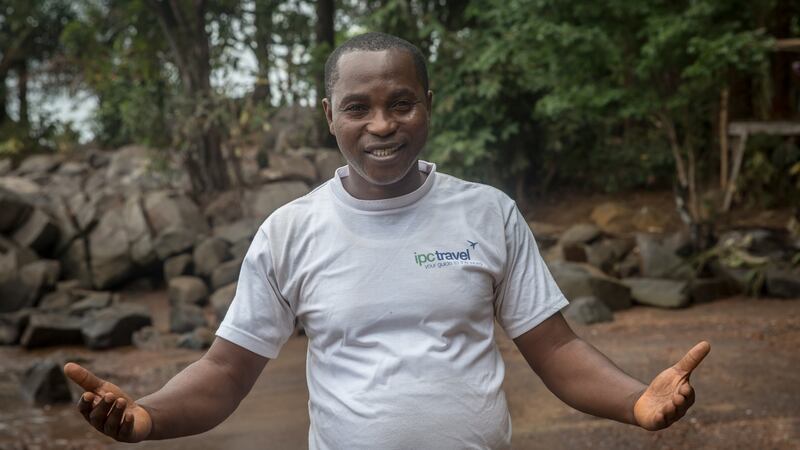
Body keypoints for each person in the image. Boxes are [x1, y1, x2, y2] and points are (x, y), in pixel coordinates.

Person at [63, 32, 711, 449]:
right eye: (358, 108)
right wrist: (147, 415)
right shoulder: (291, 232)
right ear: (330, 116)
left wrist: (636, 400)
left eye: (401, 103)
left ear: (428, 104)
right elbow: (226, 373)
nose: (381, 125)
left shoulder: (487, 213)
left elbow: (557, 350)